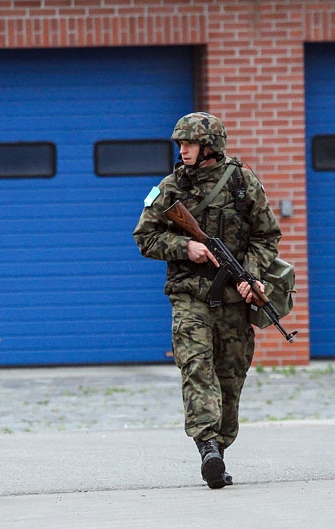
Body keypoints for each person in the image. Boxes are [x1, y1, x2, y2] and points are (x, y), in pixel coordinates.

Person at [133, 112, 282, 489]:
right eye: (180, 144)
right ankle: (207, 447)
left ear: (210, 146)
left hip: (234, 299)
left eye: (190, 144)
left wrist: (249, 275)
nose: (183, 150)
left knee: (230, 376)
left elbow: (267, 236)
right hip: (189, 296)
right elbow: (144, 237)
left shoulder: (243, 183)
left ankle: (221, 445)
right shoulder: (169, 187)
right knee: (197, 368)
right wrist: (186, 247)